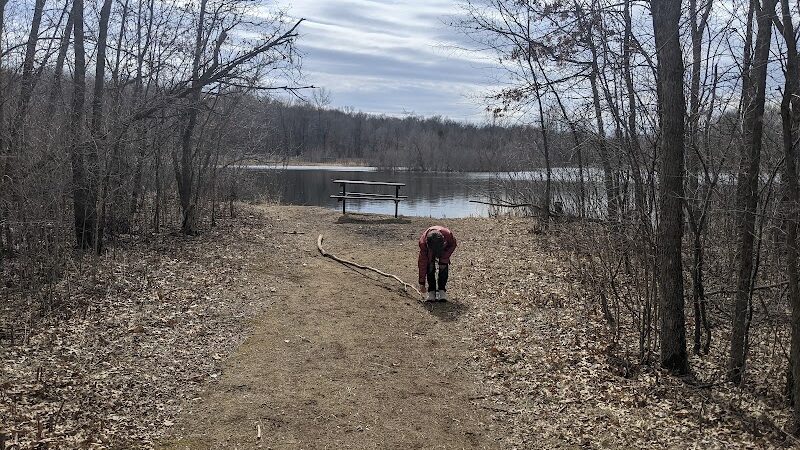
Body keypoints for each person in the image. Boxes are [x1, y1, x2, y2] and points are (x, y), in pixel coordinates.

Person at [418, 226, 457, 302]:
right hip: (430, 251)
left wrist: (444, 257)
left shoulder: (448, 234)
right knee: (430, 267)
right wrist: (422, 282)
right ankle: (431, 291)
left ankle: (442, 291)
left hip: (443, 250)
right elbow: (422, 263)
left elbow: (453, 244)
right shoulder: (423, 243)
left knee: (443, 265)